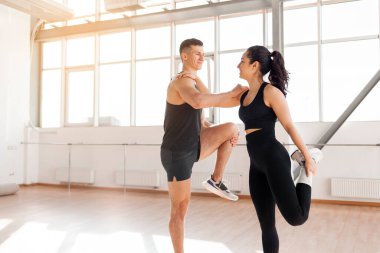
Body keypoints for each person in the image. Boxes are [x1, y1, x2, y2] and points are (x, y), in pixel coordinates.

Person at [160, 38, 248, 253]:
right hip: (177, 152)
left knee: (231, 128)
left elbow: (211, 102)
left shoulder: (195, 80)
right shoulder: (181, 82)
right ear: (185, 56)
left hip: (195, 143)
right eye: (197, 53)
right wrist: (232, 92)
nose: (202, 57)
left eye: (203, 53)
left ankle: (215, 180)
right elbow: (199, 101)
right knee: (180, 209)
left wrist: (244, 94)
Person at [237, 45, 323, 253]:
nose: (237, 65)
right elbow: (212, 98)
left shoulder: (271, 92)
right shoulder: (243, 95)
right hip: (256, 164)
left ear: (254, 65)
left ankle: (305, 166)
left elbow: (289, 126)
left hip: (274, 158)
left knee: (297, 218)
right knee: (267, 226)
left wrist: (308, 158)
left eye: (242, 61)